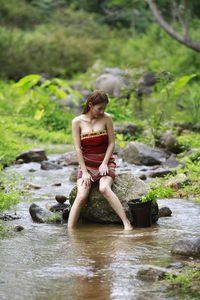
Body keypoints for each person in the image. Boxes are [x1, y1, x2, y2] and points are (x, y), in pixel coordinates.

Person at [67, 90, 133, 230]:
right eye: (100, 108)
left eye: (104, 108)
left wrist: (105, 163)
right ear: (90, 104)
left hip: (105, 162)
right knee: (81, 196)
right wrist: (84, 172)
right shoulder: (77, 122)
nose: (102, 111)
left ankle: (126, 224)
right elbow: (78, 149)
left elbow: (111, 143)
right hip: (87, 165)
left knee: (104, 189)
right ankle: (70, 231)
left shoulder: (107, 118)